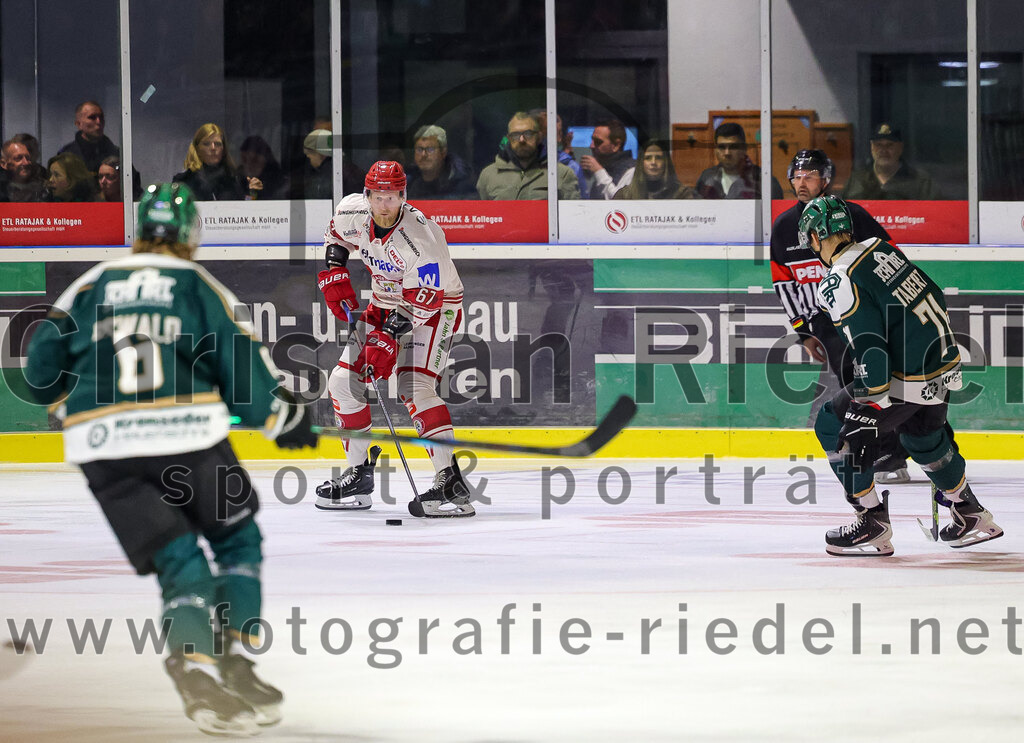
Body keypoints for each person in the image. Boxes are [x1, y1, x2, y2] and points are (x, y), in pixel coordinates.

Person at [23, 182, 317, 735]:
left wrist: (75, 396)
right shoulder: (194, 283)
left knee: (180, 561)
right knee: (237, 542)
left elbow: (39, 374)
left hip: (105, 450)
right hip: (189, 441)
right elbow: (242, 373)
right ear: (189, 235)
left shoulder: (90, 284)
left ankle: (198, 670)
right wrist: (285, 418)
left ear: (139, 231)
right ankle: (233, 658)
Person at [799, 195, 1002, 556]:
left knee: (832, 424)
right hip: (943, 360)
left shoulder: (838, 280)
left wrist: (869, 402)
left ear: (816, 237)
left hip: (907, 376)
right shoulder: (880, 249)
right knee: (923, 438)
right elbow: (935, 294)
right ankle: (968, 511)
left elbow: (871, 349)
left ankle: (870, 521)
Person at [316, 161, 473, 518]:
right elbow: (336, 239)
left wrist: (388, 339)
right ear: (367, 195)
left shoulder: (421, 238)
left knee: (414, 387)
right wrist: (334, 271)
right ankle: (358, 474)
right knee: (342, 383)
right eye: (378, 197)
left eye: (392, 197)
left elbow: (426, 300)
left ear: (404, 196)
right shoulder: (351, 211)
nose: (384, 205)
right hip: (385, 302)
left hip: (435, 308)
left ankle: (450, 482)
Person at [770, 149, 911, 483]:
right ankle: (888, 452)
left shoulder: (852, 215)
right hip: (825, 319)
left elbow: (891, 257)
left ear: (826, 180)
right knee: (855, 381)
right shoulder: (784, 227)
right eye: (797, 176)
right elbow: (783, 282)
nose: (802, 183)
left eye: (810, 176)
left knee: (894, 374)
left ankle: (922, 443)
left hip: (866, 311)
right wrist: (803, 331)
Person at [476, 112, 579, 200]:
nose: (521, 140)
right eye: (515, 135)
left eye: (528, 134)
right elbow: (482, 218)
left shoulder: (561, 174)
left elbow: (573, 217)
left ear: (539, 137)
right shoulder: (489, 175)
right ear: (509, 138)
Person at [57, 101, 143, 198]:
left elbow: (133, 187)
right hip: (77, 210)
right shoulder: (66, 155)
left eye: (101, 117)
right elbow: (60, 190)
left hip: (114, 210)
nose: (98, 122)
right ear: (78, 124)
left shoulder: (117, 154)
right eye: (92, 117)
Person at [844, 123, 940, 200]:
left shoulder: (921, 181)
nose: (883, 151)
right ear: (871, 147)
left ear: (900, 147)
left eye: (889, 145)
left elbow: (933, 216)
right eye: (878, 145)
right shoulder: (857, 180)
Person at [696, 122, 783, 200]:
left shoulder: (765, 181)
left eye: (733, 147)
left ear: (744, 149)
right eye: (722, 147)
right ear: (715, 150)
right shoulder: (707, 178)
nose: (727, 153)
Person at [173, 123, 258, 201]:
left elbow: (248, 209)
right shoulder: (183, 182)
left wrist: (252, 193)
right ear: (197, 149)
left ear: (224, 149)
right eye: (206, 144)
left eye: (218, 144)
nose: (213, 148)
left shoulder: (237, 180)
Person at [405, 125, 475, 199]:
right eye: (419, 149)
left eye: (430, 149)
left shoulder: (460, 184)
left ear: (443, 152)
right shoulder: (407, 183)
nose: (423, 155)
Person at [614, 141, 699, 200]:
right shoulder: (625, 195)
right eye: (648, 158)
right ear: (641, 163)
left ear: (665, 162)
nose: (653, 162)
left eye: (658, 158)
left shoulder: (682, 194)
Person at [579, 118, 635, 200]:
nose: (591, 146)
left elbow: (620, 202)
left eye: (598, 142)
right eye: (592, 140)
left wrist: (599, 171)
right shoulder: (602, 167)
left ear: (616, 145)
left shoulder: (631, 170)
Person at [239, 135, 289, 200]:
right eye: (244, 159)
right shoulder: (238, 182)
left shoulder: (280, 184)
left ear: (266, 159)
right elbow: (246, 204)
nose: (249, 164)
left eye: (255, 160)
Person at [1, 137, 49, 202]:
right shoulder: (3, 189)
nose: (26, 163)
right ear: (4, 164)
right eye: (18, 158)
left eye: (28, 157)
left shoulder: (43, 183)